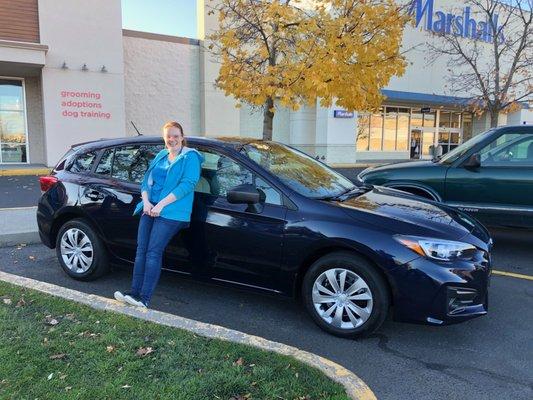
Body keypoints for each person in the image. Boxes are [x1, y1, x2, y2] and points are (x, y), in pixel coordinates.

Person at [114, 121, 203, 308]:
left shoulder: (191, 157)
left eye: (175, 136)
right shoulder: (162, 155)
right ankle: (133, 293)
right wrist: (146, 202)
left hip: (172, 211)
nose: (172, 139)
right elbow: (147, 181)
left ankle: (144, 299)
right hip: (150, 207)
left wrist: (160, 205)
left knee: (153, 252)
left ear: (182, 137)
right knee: (141, 251)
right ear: (164, 138)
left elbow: (188, 184)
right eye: (168, 136)